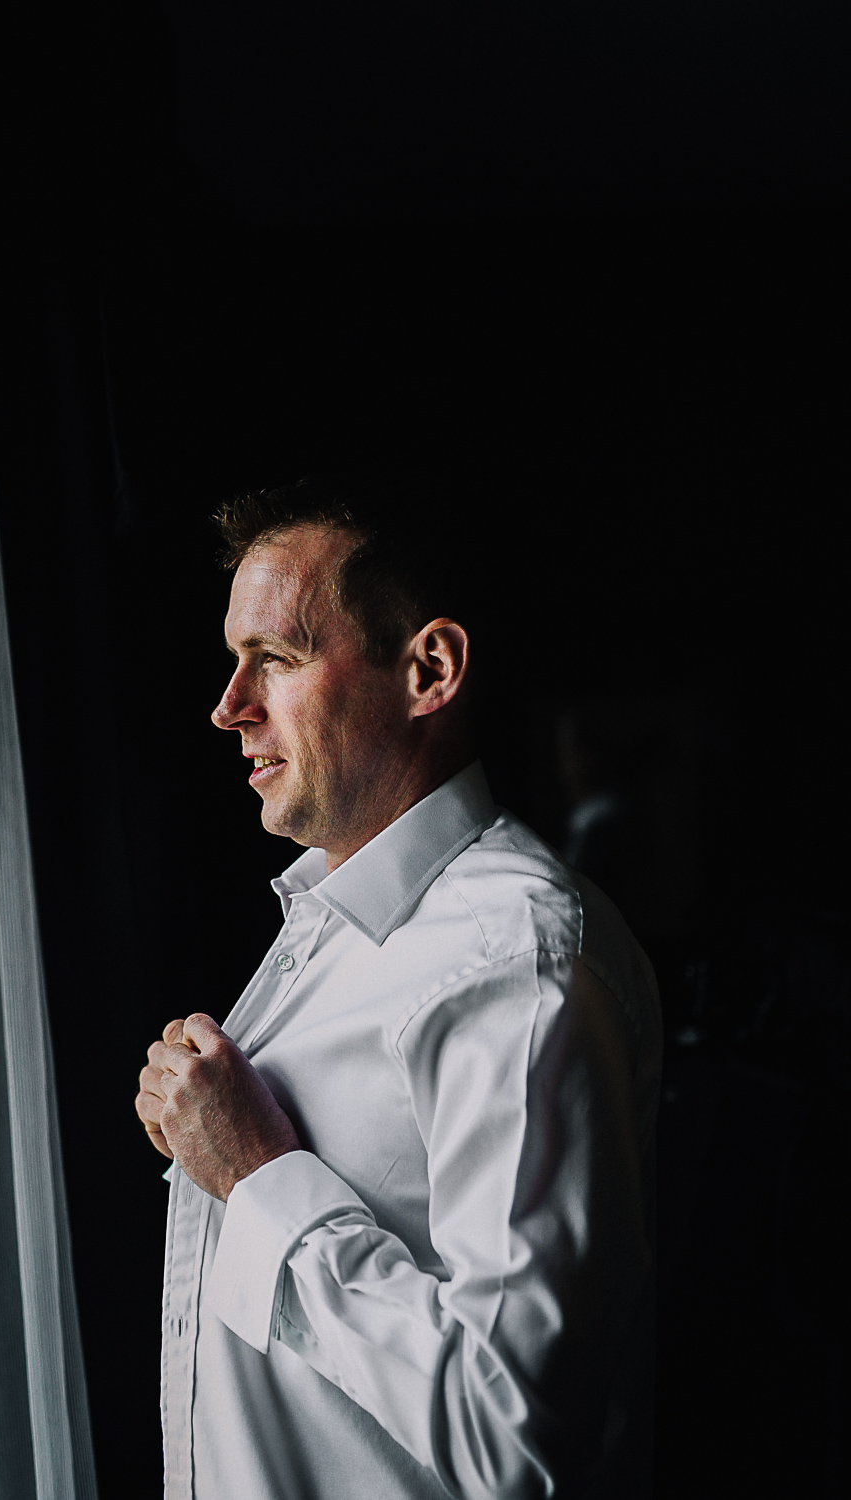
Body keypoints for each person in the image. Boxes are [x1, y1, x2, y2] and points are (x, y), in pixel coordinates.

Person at [134, 478, 662, 1500]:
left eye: (275, 661)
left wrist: (258, 1181)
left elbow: (515, 1443)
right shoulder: (336, 924)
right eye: (233, 663)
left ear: (429, 668)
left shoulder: (517, 962)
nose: (228, 708)